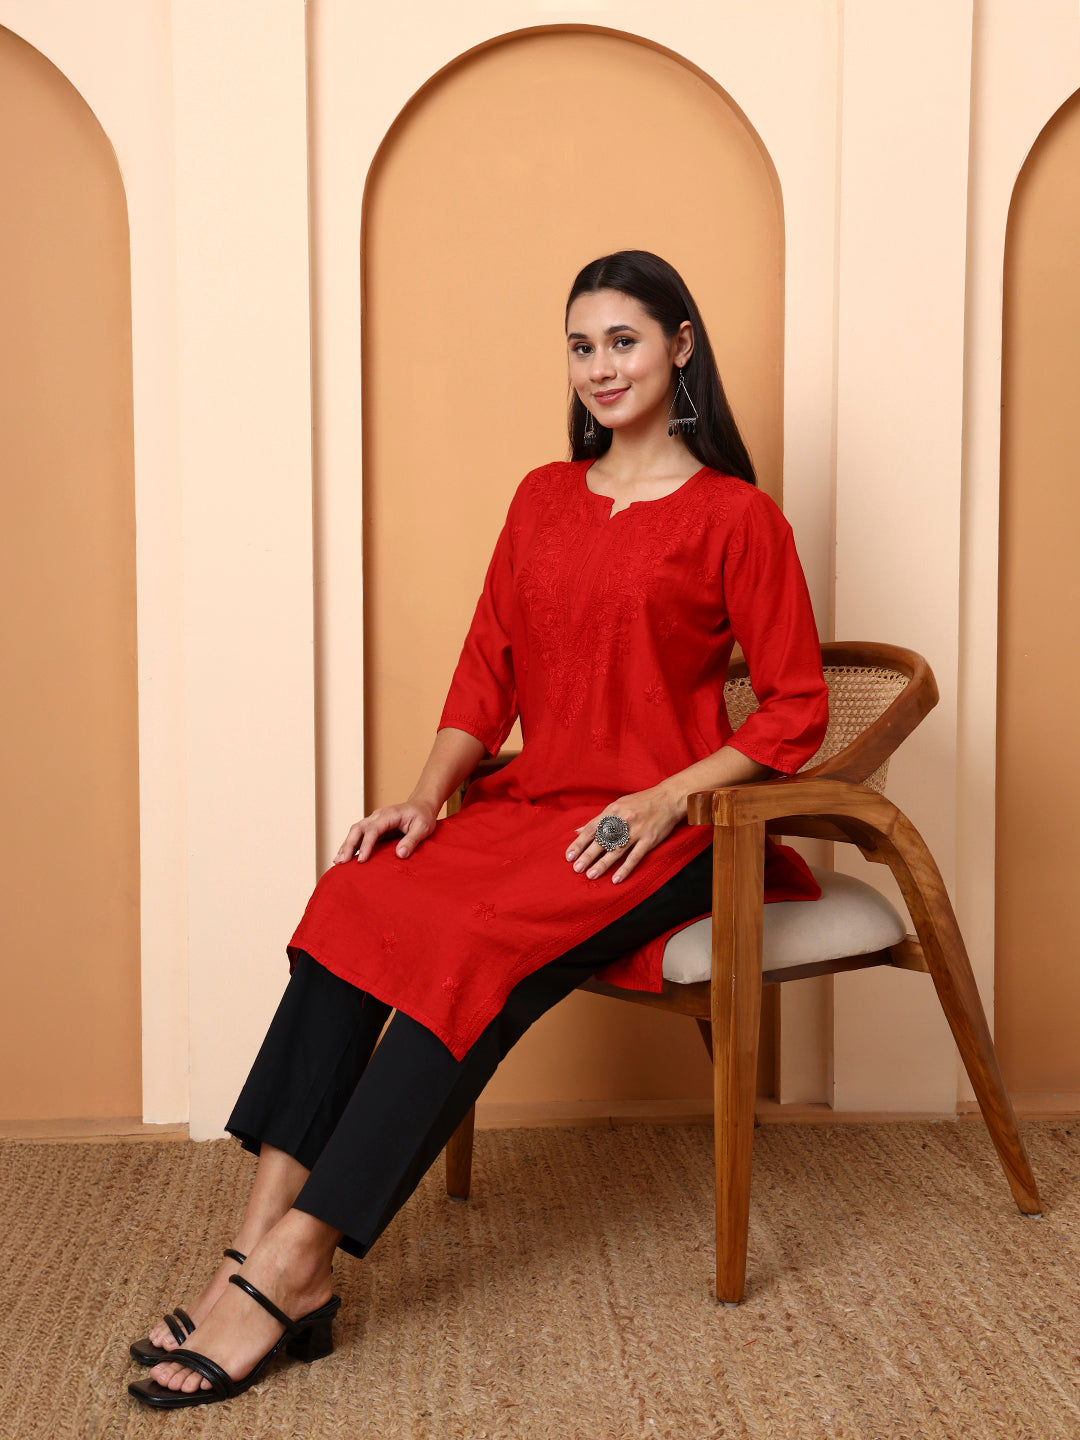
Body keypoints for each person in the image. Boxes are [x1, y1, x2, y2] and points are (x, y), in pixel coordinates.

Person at [127, 250, 829, 1409]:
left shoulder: (737, 518)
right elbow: (485, 673)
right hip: (532, 806)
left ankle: (298, 1264)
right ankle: (253, 1246)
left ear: (680, 346)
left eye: (623, 341)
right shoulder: (542, 498)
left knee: (467, 949)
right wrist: (423, 795)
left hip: (657, 836)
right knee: (357, 890)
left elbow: (796, 706)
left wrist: (665, 797)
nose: (600, 367)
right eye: (581, 346)